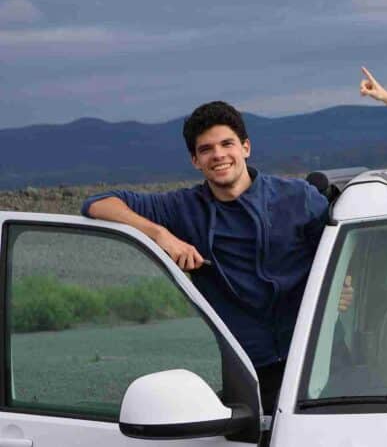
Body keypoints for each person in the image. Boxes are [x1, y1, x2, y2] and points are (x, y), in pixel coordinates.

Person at [80, 100, 350, 413]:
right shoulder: (184, 208)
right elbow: (98, 203)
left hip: (321, 358)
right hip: (249, 372)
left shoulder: (298, 198)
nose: (218, 155)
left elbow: (342, 255)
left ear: (245, 147)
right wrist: (161, 235)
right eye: (206, 149)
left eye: (226, 144)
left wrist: (344, 285)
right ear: (195, 160)